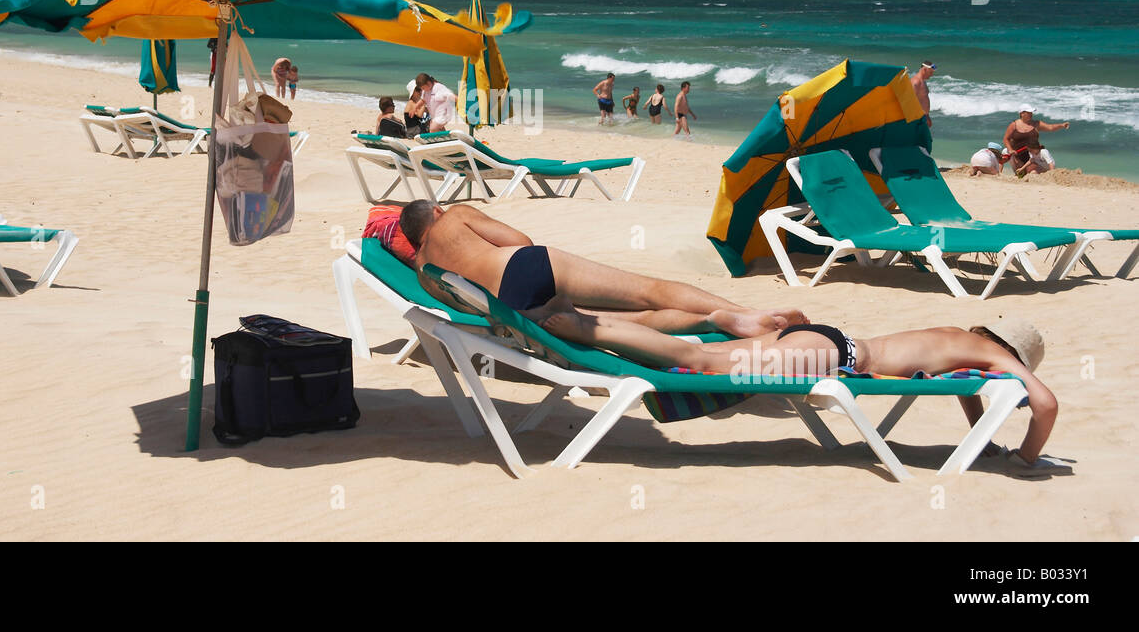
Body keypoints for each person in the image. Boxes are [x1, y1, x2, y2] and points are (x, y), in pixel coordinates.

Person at [535, 306, 1061, 474]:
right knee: (695, 360)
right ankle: (581, 328)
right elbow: (1046, 402)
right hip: (837, 357)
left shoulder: (959, 339)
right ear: (1010, 350)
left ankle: (589, 321)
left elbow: (968, 392)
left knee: (704, 354)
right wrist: (1026, 458)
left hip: (825, 337)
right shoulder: (998, 358)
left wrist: (983, 440)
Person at [398, 200, 807, 342]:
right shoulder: (455, 216)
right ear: (435, 212)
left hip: (517, 309)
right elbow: (520, 241)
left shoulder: (421, 270)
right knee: (650, 290)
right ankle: (748, 315)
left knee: (640, 319)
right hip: (526, 267)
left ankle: (712, 322)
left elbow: (469, 307)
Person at [1003, 105, 1069, 177]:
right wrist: (1010, 149)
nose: (1031, 114)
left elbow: (1050, 127)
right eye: (1029, 112)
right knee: (1018, 172)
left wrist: (1062, 125)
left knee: (1032, 172)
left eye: (1031, 112)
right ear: (1022, 113)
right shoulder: (1014, 125)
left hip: (1033, 154)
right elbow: (1006, 139)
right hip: (1018, 155)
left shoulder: (1036, 124)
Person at [911, 61, 936, 127]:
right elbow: (910, 102)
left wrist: (927, 116)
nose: (931, 75)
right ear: (924, 69)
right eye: (930, 72)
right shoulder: (916, 82)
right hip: (917, 119)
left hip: (923, 117)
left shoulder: (922, 81)